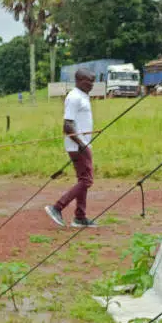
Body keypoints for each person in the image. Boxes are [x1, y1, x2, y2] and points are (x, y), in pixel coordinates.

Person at [45, 69, 98, 228]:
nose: (92, 85)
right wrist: (81, 144)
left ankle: (80, 217)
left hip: (82, 144)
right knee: (87, 180)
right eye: (89, 81)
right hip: (78, 146)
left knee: (83, 179)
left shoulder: (83, 96)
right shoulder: (74, 97)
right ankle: (57, 207)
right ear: (80, 80)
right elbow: (67, 126)